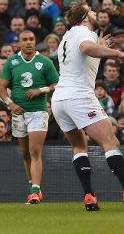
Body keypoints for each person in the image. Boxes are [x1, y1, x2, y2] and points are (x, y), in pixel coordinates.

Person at [51, 3, 124, 210]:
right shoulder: (84, 33)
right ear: (84, 17)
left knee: (80, 146)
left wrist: (99, 45)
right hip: (79, 97)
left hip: (59, 100)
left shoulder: (67, 36)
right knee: (110, 141)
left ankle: (89, 195)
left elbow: (82, 55)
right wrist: (117, 54)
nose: (94, 12)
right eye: (90, 10)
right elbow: (86, 48)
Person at [0, 30, 58, 204]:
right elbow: (1, 88)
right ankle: (33, 185)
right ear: (19, 43)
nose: (28, 42)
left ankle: (35, 191)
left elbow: (56, 83)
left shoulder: (45, 62)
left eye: (31, 39)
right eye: (24, 40)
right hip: (18, 113)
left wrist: (41, 90)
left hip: (38, 112)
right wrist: (10, 104)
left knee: (35, 152)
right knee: (25, 153)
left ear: (35, 41)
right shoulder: (11, 62)